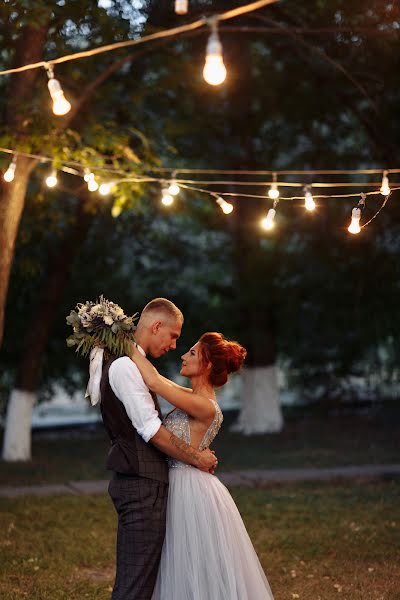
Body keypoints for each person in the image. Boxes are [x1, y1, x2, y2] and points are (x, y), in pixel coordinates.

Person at [130, 331, 274, 600]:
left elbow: (152, 380)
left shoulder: (204, 405)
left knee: (190, 558)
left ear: (207, 365)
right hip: (181, 481)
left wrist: (120, 340)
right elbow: (157, 379)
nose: (183, 356)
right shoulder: (192, 396)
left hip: (189, 488)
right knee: (180, 561)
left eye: (192, 353)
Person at [99, 298, 217, 600]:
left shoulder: (131, 362)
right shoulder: (126, 366)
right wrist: (197, 458)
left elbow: (155, 382)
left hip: (145, 483)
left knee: (142, 581)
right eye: (174, 336)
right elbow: (151, 430)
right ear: (156, 326)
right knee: (134, 585)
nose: (175, 346)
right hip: (141, 485)